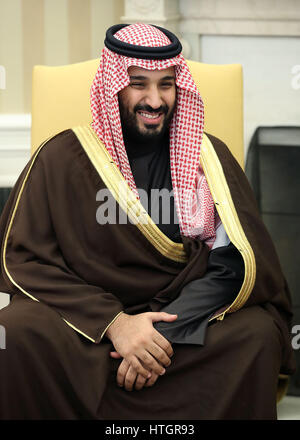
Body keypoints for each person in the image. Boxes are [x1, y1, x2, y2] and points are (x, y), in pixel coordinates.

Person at [0, 23, 296, 420]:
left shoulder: (209, 159)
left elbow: (234, 264)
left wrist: (158, 336)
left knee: (255, 335)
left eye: (167, 84)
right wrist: (116, 324)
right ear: (113, 85)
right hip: (88, 325)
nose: (154, 100)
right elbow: (24, 260)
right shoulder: (59, 159)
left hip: (179, 323)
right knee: (17, 330)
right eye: (138, 84)